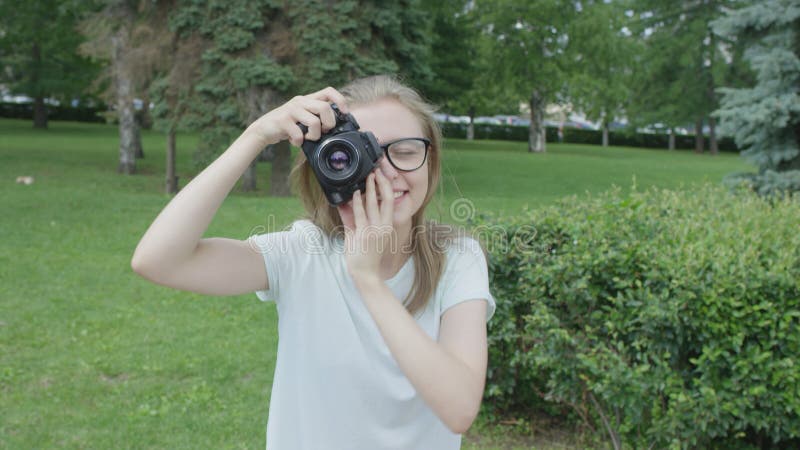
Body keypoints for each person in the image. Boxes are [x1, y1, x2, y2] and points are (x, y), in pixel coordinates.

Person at [131, 74, 495, 450]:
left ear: (430, 163)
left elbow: (459, 408)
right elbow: (158, 261)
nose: (386, 172)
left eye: (403, 151)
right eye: (359, 152)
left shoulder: (456, 258)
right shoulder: (303, 252)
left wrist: (367, 279)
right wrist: (255, 136)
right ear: (328, 167)